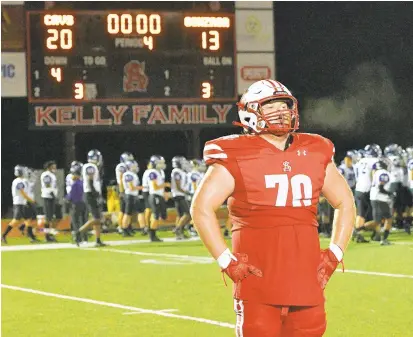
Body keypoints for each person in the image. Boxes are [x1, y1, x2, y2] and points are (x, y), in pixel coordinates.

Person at [190, 79, 355, 337]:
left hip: (307, 286)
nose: (281, 112)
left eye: (284, 105)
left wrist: (335, 252)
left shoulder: (315, 149)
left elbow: (345, 202)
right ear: (250, 113)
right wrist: (225, 260)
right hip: (258, 287)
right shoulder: (236, 153)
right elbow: (201, 209)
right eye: (270, 106)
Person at [2, 165, 39, 244]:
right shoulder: (19, 181)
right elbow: (23, 193)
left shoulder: (20, 181)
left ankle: (32, 237)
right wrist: (32, 200)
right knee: (15, 220)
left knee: (28, 219)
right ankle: (3, 236)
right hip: (19, 203)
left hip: (22, 203)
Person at [66, 166, 86, 245]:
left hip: (76, 204)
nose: (72, 176)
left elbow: (71, 196)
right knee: (82, 221)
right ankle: (84, 237)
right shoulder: (82, 183)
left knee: (75, 222)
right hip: (83, 204)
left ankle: (78, 238)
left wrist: (66, 199)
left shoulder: (75, 184)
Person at [40, 160, 58, 242]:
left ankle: (49, 234)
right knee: (48, 217)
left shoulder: (51, 174)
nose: (55, 167)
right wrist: (52, 194)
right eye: (53, 166)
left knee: (50, 217)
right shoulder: (46, 174)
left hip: (51, 197)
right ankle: (47, 236)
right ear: (49, 167)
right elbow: (47, 184)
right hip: (48, 196)